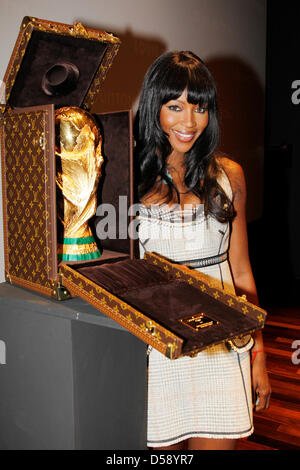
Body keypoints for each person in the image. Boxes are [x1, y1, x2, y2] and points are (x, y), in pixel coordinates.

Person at [134, 51, 271, 451]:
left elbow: (242, 273)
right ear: (154, 108)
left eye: (200, 107)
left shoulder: (229, 176)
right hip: (156, 353)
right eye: (174, 106)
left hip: (221, 349)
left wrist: (258, 355)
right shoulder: (127, 179)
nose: (189, 121)